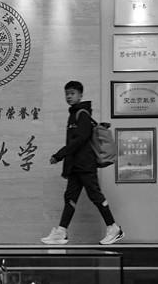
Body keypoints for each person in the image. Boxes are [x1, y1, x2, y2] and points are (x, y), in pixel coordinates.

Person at [41, 81, 123, 245]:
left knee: (95, 195)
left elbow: (80, 139)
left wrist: (59, 155)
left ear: (80, 95)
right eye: (67, 94)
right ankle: (61, 232)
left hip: (85, 165)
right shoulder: (73, 114)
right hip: (76, 166)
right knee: (70, 198)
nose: (69, 96)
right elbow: (75, 141)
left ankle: (114, 228)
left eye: (72, 93)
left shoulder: (82, 114)